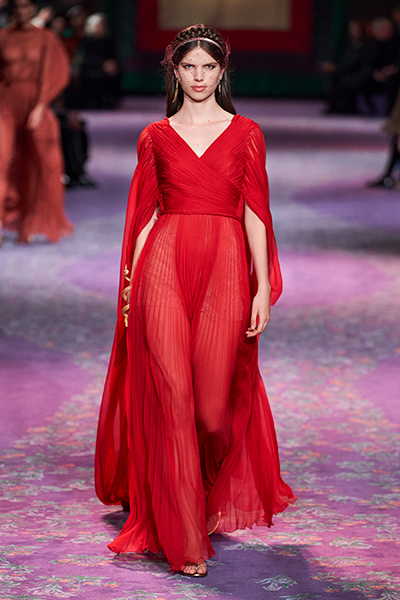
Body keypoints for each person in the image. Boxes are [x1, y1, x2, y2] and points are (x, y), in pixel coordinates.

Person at [95, 24, 296, 577]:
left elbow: (256, 212)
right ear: (175, 72)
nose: (199, 77)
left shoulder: (247, 133)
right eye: (189, 67)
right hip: (162, 267)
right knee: (174, 401)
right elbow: (144, 215)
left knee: (210, 413)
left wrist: (261, 286)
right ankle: (183, 535)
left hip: (225, 270)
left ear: (223, 71)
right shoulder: (155, 136)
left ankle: (200, 494)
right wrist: (131, 285)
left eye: (209, 67)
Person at [0, 0, 73, 243]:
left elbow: (54, 73)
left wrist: (41, 105)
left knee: (35, 164)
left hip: (36, 105)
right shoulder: (3, 37)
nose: (21, 11)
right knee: (2, 160)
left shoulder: (45, 38)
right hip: (6, 104)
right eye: (17, 6)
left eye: (25, 6)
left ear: (33, 9)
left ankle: (27, 224)